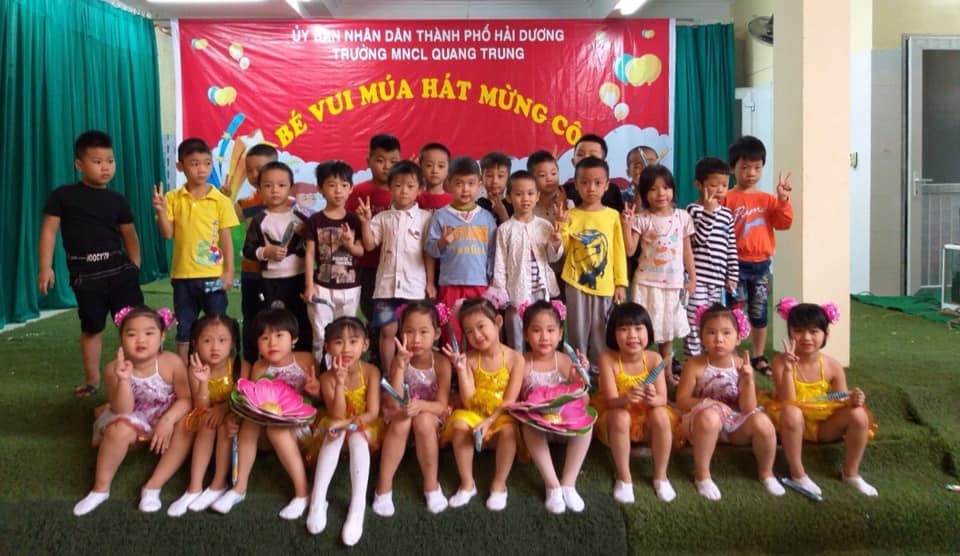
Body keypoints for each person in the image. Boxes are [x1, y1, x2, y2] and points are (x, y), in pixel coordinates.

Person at [38, 130, 144, 398]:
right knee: (92, 328)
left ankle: (142, 376)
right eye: (97, 161)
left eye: (110, 161)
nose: (105, 167)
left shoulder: (118, 200)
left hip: (120, 272)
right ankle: (93, 380)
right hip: (86, 276)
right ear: (79, 164)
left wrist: (135, 263)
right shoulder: (63, 196)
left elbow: (129, 233)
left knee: (135, 326)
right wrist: (45, 267)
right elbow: (49, 231)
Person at [73, 306, 192, 516]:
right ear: (121, 339)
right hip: (134, 417)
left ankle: (153, 486)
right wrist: (124, 380)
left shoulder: (172, 362)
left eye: (149, 333)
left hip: (166, 417)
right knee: (118, 429)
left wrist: (167, 421)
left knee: (187, 425)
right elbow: (123, 409)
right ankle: (100, 489)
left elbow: (186, 399)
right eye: (131, 334)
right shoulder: (113, 369)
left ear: (162, 336)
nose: (141, 340)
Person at [766, 298, 878, 496]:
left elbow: (841, 398)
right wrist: (788, 370)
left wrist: (853, 399)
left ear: (826, 334)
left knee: (859, 414)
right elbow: (788, 400)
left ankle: (851, 474)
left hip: (822, 426)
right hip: (789, 424)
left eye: (814, 331)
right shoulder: (780, 362)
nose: (806, 337)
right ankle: (798, 473)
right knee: (792, 412)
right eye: (798, 330)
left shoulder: (833, 366)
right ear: (790, 332)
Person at [211, 307, 316, 519]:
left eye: (279, 335)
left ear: (294, 339)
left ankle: (302, 493)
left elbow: (321, 401)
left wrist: (316, 391)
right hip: (268, 432)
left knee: (277, 430)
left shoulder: (306, 360)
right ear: (257, 343)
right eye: (264, 338)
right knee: (251, 421)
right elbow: (252, 403)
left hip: (302, 429)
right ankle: (239, 488)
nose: (272, 343)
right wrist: (234, 420)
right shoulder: (259, 368)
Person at [676, 304, 784, 500]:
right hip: (703, 425)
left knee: (763, 422)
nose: (719, 339)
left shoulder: (742, 365)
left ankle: (766, 473)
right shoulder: (694, 365)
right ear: (701, 336)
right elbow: (682, 400)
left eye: (726, 333)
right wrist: (710, 403)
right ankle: (702, 475)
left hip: (734, 426)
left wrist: (748, 381)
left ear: (738, 338)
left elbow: (748, 408)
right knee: (709, 417)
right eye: (711, 332)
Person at [152, 137, 239, 364]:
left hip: (213, 276)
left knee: (216, 325)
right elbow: (167, 233)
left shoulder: (220, 200)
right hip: (183, 276)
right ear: (180, 166)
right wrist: (160, 210)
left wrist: (229, 272)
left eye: (207, 163)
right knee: (185, 327)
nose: (202, 169)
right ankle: (182, 371)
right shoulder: (172, 198)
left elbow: (226, 239)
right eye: (194, 163)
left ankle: (219, 370)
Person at [439, 297, 525, 511]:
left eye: (481, 326)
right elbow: (468, 400)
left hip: (502, 414)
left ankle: (499, 484)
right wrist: (461, 371)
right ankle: (467, 483)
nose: (476, 335)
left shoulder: (516, 359)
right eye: (469, 332)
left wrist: (489, 422)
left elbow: (510, 401)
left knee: (509, 431)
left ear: (498, 322)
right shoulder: (468, 359)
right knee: (459, 425)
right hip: (474, 413)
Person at [306, 317, 383, 546]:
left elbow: (372, 413)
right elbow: (337, 415)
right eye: (339, 342)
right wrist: (339, 383)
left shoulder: (371, 372)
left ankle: (357, 507)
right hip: (336, 424)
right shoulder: (327, 378)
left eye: (353, 341)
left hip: (365, 427)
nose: (346, 348)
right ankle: (318, 500)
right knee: (336, 430)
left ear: (365, 345)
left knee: (356, 435)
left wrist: (349, 424)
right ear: (328, 347)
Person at [721, 135, 793, 376]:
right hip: (734, 266)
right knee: (735, 312)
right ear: (732, 168)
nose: (750, 173)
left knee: (759, 312)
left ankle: (758, 355)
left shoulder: (768, 199)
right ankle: (733, 355)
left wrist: (783, 199)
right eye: (744, 167)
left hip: (761, 266)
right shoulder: (726, 198)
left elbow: (784, 223)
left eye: (756, 167)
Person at [373, 301, 453, 516]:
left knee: (423, 420)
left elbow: (441, 405)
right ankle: (383, 487)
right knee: (402, 421)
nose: (416, 339)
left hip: (430, 415)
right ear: (401, 332)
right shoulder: (399, 360)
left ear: (436, 334)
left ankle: (431, 485)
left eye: (423, 332)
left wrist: (421, 406)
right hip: (402, 412)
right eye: (409, 331)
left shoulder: (442, 363)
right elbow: (394, 401)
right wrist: (400, 366)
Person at [594, 302, 678, 504]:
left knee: (661, 414)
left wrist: (652, 398)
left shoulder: (654, 358)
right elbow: (610, 401)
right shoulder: (607, 359)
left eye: (638, 328)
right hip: (616, 416)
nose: (632, 335)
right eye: (624, 329)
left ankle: (661, 476)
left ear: (648, 331)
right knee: (621, 416)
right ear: (613, 334)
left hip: (646, 418)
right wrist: (626, 398)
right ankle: (624, 477)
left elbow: (663, 398)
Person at [516, 300, 592, 513]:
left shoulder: (566, 361)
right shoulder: (522, 363)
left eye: (550, 330)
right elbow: (515, 400)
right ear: (526, 334)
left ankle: (569, 483)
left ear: (560, 334)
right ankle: (552, 484)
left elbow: (584, 402)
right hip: (536, 427)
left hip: (565, 425)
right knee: (528, 426)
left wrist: (577, 381)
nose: (544, 337)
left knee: (587, 424)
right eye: (536, 330)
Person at [623, 165, 697, 383]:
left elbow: (687, 252)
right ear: (645, 193)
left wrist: (692, 278)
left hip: (673, 285)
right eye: (653, 189)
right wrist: (627, 224)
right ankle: (641, 375)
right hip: (646, 284)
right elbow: (629, 250)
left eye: (665, 188)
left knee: (667, 335)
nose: (661, 194)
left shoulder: (683, 217)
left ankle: (666, 375)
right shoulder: (642, 219)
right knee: (643, 332)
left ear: (673, 189)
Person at [357, 160, 432, 370]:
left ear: (419, 189)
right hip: (386, 287)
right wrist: (365, 222)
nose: (404, 191)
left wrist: (430, 283)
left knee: (414, 332)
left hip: (414, 286)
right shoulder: (383, 218)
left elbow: (428, 253)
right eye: (398, 185)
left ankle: (411, 373)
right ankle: (389, 374)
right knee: (387, 331)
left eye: (410, 186)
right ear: (390, 187)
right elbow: (370, 244)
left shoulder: (426, 218)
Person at [557, 157, 628, 372]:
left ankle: (599, 368)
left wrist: (620, 283)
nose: (591, 188)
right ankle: (578, 368)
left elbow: (618, 251)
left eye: (598, 183)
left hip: (605, 284)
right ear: (576, 185)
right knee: (577, 328)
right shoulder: (570, 215)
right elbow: (565, 250)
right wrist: (561, 225)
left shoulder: (612, 216)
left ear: (606, 185)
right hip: (575, 282)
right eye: (585, 182)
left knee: (601, 328)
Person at [167, 314, 242, 516]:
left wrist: (224, 409)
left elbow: (244, 398)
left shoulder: (239, 366)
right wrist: (202, 382)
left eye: (222, 340)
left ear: (232, 343)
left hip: (233, 416)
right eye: (207, 341)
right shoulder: (194, 370)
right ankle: (194, 487)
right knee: (207, 421)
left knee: (224, 422)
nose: (215, 347)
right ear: (195, 343)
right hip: (207, 415)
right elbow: (200, 406)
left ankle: (218, 483)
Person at [425, 157, 498, 347]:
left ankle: (475, 365)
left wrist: (492, 280)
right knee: (451, 331)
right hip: (450, 284)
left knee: (479, 332)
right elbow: (430, 249)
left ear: (479, 185)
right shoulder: (441, 216)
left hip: (479, 284)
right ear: (448, 183)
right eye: (459, 184)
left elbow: (492, 253)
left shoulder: (486, 218)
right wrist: (442, 242)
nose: (465, 189)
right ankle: (453, 365)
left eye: (471, 184)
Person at [241, 161, 312, 354]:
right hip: (271, 281)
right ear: (259, 189)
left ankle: (302, 358)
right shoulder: (259, 220)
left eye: (281, 185)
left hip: (299, 278)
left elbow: (312, 247)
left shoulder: (300, 218)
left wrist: (305, 235)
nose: (275, 190)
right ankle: (272, 358)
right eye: (268, 185)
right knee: (274, 321)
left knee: (301, 319)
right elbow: (248, 250)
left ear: (291, 188)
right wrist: (266, 252)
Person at [490, 170, 563, 351]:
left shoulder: (545, 225)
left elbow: (552, 257)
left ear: (537, 196)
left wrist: (555, 243)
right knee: (516, 335)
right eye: (519, 194)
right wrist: (501, 292)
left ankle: (538, 363)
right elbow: (499, 264)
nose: (525, 199)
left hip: (541, 289)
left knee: (540, 329)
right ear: (509, 197)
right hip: (516, 291)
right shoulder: (505, 229)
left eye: (530, 193)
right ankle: (517, 364)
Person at [346, 133, 402, 365]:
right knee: (374, 314)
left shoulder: (403, 190)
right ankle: (377, 360)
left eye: (393, 161)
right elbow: (348, 226)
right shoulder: (359, 192)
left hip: (399, 269)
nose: (387, 166)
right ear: (368, 161)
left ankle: (400, 362)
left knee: (399, 319)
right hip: (368, 267)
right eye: (380, 160)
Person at [303, 160, 364, 361]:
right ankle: (320, 373)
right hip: (322, 286)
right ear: (320, 189)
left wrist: (349, 244)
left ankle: (345, 371)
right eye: (331, 185)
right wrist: (309, 286)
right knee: (321, 335)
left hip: (350, 287)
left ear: (351, 188)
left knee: (346, 334)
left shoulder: (355, 220)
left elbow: (360, 251)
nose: (338, 191)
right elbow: (309, 254)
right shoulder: (315, 221)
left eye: (344, 185)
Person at [685, 157, 739, 358]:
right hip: (697, 281)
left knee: (714, 322)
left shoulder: (727, 215)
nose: (720, 190)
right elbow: (696, 241)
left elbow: (731, 247)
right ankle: (693, 361)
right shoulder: (692, 210)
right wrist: (707, 213)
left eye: (724, 185)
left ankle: (711, 361)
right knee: (694, 322)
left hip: (717, 281)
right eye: (714, 185)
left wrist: (732, 276)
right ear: (699, 184)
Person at [234, 143, 279, 372]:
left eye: (259, 169)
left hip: (279, 274)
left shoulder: (290, 204)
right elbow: (225, 218)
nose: (254, 175)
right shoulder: (245, 204)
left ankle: (279, 362)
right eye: (249, 170)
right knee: (251, 317)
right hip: (251, 271)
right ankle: (250, 363)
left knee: (277, 318)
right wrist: (225, 198)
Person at [562, 134, 625, 212]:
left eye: (593, 156)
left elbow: (619, 216)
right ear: (573, 161)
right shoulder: (565, 191)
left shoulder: (612, 190)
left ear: (603, 163)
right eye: (580, 154)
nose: (586, 158)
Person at [527, 150, 568, 223]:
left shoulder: (568, 203)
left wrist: (564, 207)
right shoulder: (528, 206)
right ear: (531, 178)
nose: (549, 179)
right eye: (542, 175)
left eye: (553, 173)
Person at [477, 151, 513, 224]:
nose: (495, 181)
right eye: (489, 176)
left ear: (508, 179)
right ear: (481, 178)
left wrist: (502, 214)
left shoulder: (515, 206)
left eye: (500, 176)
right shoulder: (477, 206)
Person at [415, 142, 452, 210]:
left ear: (448, 169)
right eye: (429, 165)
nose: (435, 170)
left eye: (441, 166)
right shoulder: (414, 198)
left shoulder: (454, 201)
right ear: (420, 167)